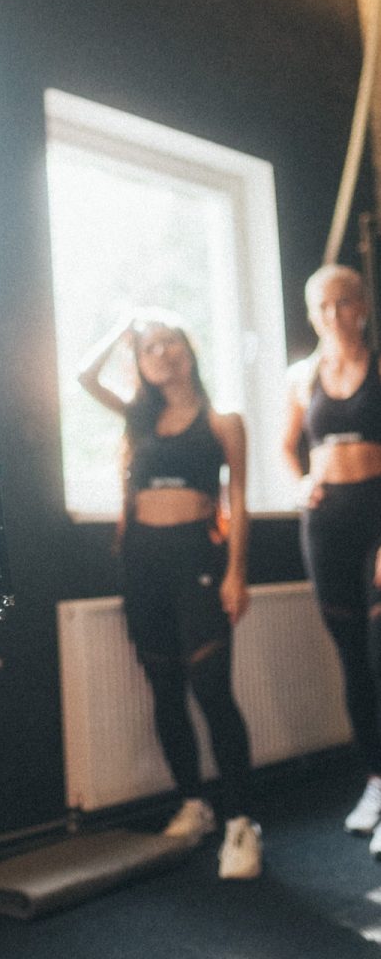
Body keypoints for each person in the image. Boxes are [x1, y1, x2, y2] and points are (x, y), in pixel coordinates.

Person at [78, 308, 262, 880]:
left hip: (197, 561)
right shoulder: (138, 418)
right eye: (149, 347)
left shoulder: (223, 421)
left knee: (212, 690)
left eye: (170, 341)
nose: (161, 352)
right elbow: (85, 376)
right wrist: (122, 327)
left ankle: (241, 823)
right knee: (165, 689)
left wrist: (237, 574)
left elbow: (239, 502)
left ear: (189, 349)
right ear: (139, 360)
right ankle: (194, 803)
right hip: (142, 562)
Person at [282, 263, 381, 857]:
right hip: (326, 525)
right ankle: (376, 781)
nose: (333, 314)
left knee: (380, 654)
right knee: (352, 661)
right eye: (321, 305)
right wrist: (299, 482)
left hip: (376, 516)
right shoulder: (302, 376)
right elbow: (285, 444)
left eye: (343, 302)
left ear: (362, 306)